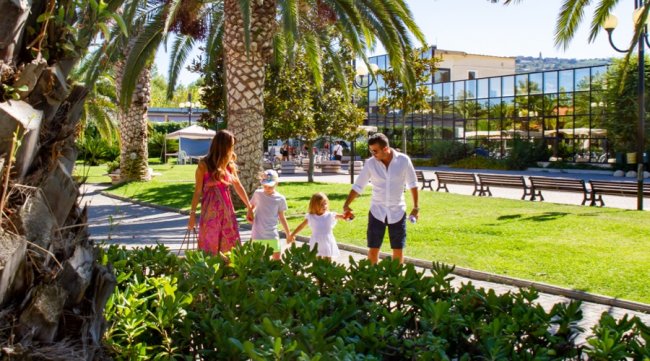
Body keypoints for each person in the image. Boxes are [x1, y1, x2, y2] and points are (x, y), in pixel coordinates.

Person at [342, 133, 419, 264]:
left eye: (375, 151)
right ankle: (372, 279)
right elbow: (359, 185)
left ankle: (396, 280)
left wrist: (416, 207)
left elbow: (413, 184)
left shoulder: (403, 160)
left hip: (398, 211)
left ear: (385, 149)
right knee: (373, 249)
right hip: (377, 211)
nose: (372, 153)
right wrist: (346, 204)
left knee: (398, 249)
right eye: (371, 150)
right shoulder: (370, 163)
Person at [188, 130, 253, 255]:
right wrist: (192, 215)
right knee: (210, 243)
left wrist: (249, 207)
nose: (232, 149)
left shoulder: (229, 165)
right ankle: (209, 272)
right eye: (231, 146)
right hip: (210, 212)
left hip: (227, 211)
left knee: (230, 244)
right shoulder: (204, 165)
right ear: (223, 146)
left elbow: (238, 186)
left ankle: (229, 272)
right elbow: (197, 192)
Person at [247, 170, 291, 260]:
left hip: (272, 233)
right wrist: (249, 214)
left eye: (270, 186)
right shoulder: (258, 193)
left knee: (277, 257)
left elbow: (282, 217)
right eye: (265, 185)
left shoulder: (280, 198)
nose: (267, 188)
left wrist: (288, 233)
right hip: (258, 233)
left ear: (276, 184)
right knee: (258, 258)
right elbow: (251, 207)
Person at [290, 192, 345, 261]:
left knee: (328, 260)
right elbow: (301, 226)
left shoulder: (330, 215)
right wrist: (292, 234)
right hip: (316, 242)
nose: (324, 206)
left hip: (327, 241)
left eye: (325, 203)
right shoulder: (311, 217)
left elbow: (343, 217)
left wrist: (348, 216)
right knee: (317, 260)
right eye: (321, 204)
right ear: (314, 206)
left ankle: (328, 271)